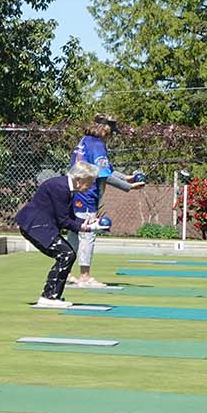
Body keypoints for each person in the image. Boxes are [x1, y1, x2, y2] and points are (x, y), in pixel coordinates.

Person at [68, 114, 145, 288]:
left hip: (74, 192)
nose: (111, 137)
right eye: (111, 132)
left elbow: (105, 170)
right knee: (88, 233)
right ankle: (85, 277)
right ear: (104, 129)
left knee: (74, 234)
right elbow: (103, 175)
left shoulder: (85, 141)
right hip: (87, 194)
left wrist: (127, 178)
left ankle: (65, 272)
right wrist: (129, 187)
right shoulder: (98, 145)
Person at [16, 161, 101, 307]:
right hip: (35, 226)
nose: (91, 185)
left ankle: (51, 295)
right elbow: (63, 221)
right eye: (90, 181)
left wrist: (89, 223)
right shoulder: (60, 188)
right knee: (66, 254)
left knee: (67, 254)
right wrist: (86, 229)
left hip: (42, 225)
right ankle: (48, 297)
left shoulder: (66, 187)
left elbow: (69, 216)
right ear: (79, 180)